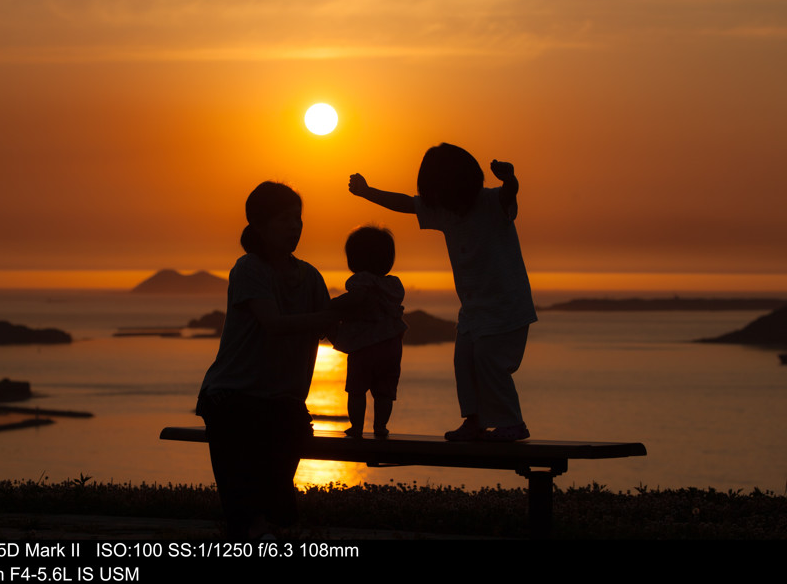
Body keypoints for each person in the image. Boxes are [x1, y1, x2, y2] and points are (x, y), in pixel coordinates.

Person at [348, 143, 536, 442]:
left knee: (490, 362)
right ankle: (474, 421)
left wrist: (510, 178)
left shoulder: (491, 202)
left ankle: (512, 423)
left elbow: (509, 193)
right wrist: (367, 192)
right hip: (474, 311)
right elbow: (406, 203)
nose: (438, 200)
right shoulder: (445, 211)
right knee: (463, 362)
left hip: (506, 306)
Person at [195, 181, 338, 539]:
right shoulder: (249, 269)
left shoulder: (310, 275)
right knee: (250, 518)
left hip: (282, 405)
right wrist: (333, 316)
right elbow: (274, 324)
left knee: (277, 513)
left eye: (298, 219)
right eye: (284, 220)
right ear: (259, 226)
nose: (295, 227)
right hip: (233, 400)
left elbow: (336, 332)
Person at [332, 226, 407, 438]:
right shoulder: (393, 284)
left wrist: (333, 305)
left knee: (356, 390)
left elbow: (356, 298)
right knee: (385, 391)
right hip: (391, 346)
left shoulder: (361, 280)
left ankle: (356, 428)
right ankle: (380, 427)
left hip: (364, 344)